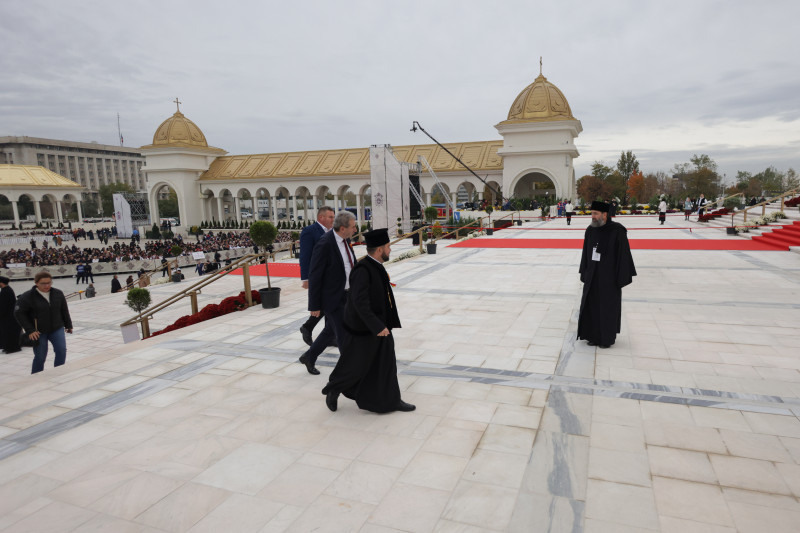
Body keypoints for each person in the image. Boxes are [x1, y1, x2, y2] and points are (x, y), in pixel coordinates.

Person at [322, 228, 414, 413]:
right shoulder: (363, 270)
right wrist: (377, 326)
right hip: (364, 330)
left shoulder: (375, 266)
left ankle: (392, 400)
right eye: (388, 247)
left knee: (386, 364)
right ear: (379, 250)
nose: (390, 250)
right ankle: (334, 388)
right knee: (354, 365)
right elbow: (359, 303)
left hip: (378, 326)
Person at [298, 211, 357, 375]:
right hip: (332, 298)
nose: (355, 230)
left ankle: (309, 357)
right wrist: (314, 305)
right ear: (343, 228)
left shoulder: (345, 240)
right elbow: (315, 275)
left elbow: (349, 264)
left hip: (346, 294)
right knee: (343, 334)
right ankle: (350, 372)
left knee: (330, 330)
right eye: (353, 227)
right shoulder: (325, 244)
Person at [577, 201, 637, 349]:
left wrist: (620, 277)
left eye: (595, 214)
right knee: (592, 305)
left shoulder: (617, 231)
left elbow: (623, 255)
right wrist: (584, 271)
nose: (593, 216)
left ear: (605, 214)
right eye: (592, 213)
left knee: (607, 308)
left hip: (609, 277)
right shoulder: (590, 230)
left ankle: (606, 338)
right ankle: (592, 336)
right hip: (592, 275)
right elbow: (585, 252)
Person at [14, 271, 73, 374]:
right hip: (38, 332)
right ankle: (36, 376)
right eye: (43, 283)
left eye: (49, 283)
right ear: (36, 283)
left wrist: (68, 325)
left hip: (56, 328)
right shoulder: (27, 296)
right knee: (40, 356)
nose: (47, 286)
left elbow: (64, 310)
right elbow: (19, 313)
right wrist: (30, 330)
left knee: (61, 351)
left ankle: (59, 372)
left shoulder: (58, 293)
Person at [298, 206, 335, 346]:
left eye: (333, 217)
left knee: (330, 303)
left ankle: (326, 334)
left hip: (331, 275)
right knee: (327, 303)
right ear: (321, 217)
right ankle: (308, 327)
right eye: (330, 217)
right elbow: (305, 256)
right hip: (318, 275)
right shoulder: (310, 231)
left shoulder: (333, 231)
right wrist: (306, 278)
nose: (333, 219)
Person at [0, 276, 22, 354]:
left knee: (8, 333)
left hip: (8, 317)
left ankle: (11, 348)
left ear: (1, 283)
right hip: (9, 316)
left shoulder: (5, 291)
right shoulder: (7, 289)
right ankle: (7, 347)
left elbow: (3, 306)